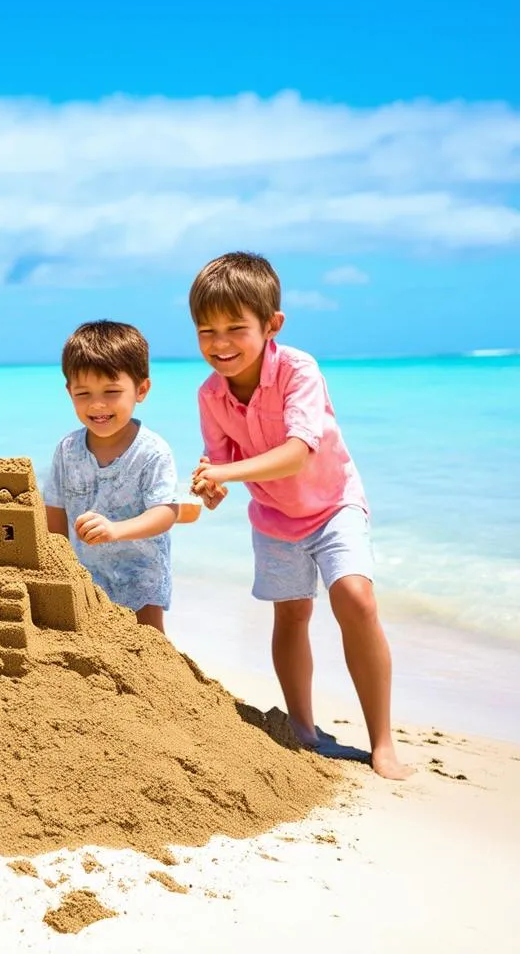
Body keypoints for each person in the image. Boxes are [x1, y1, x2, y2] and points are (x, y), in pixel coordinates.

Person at [188, 251, 412, 780]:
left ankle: (382, 742)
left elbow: (297, 450)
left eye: (235, 329)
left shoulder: (298, 370)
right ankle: (305, 729)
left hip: (334, 504)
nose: (220, 344)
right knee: (291, 615)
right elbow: (222, 464)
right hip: (273, 515)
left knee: (356, 599)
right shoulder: (210, 394)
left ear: (272, 325)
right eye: (206, 331)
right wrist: (212, 485)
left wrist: (225, 475)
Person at [44, 320, 201, 633]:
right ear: (68, 392)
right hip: (85, 575)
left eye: (112, 392)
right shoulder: (67, 449)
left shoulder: (152, 451)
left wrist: (115, 530)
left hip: (142, 575)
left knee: (149, 646)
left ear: (141, 390)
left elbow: (165, 513)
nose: (97, 404)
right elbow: (55, 515)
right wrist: (58, 567)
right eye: (83, 393)